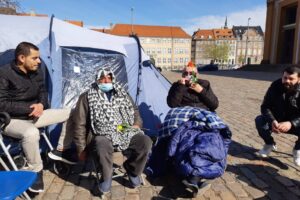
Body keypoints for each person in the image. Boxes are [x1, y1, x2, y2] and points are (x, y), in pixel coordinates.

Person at [57, 68, 152, 194]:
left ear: (113, 79)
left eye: (109, 78)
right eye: (103, 78)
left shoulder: (123, 93)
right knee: (102, 143)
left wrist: (137, 124)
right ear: (97, 79)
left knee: (145, 141)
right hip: (100, 134)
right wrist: (81, 148)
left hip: (124, 130)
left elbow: (135, 112)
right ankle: (106, 177)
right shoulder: (87, 97)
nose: (106, 81)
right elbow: (80, 124)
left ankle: (132, 170)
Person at [0, 42, 72, 193]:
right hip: (10, 120)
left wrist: (41, 105)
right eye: (35, 58)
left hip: (35, 115)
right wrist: (28, 109)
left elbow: (43, 93)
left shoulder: (36, 71)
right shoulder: (4, 73)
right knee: (31, 132)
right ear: (21, 58)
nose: (39, 61)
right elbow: (2, 104)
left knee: (70, 113)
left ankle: (59, 150)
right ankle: (35, 170)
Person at [256, 66, 300, 166]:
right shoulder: (275, 86)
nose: (287, 81)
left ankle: (297, 149)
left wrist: (291, 123)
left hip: (295, 124)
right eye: (285, 77)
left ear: (299, 79)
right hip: (277, 121)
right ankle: (269, 144)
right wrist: (272, 120)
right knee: (259, 120)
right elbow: (265, 106)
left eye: (291, 79)